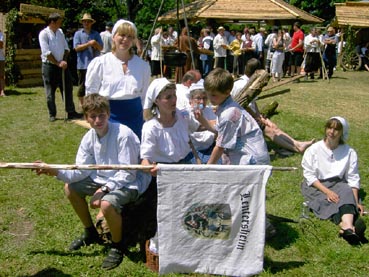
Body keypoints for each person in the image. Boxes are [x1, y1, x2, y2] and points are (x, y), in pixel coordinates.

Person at [34, 93, 152, 269]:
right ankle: (90, 232)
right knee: (70, 188)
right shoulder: (89, 137)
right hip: (103, 178)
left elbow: (128, 173)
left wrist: (104, 190)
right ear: (86, 118)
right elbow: (81, 170)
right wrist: (54, 171)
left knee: (106, 205)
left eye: (102, 115)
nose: (98, 120)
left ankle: (117, 245)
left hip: (131, 182)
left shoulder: (123, 134)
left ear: (109, 114)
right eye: (93, 116)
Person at [301, 116, 367, 245]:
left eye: (336, 129)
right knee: (327, 200)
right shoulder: (313, 150)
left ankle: (346, 227)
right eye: (329, 128)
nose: (332, 132)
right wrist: (327, 192)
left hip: (338, 183)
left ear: (342, 132)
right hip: (316, 185)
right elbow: (309, 176)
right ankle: (349, 227)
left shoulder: (349, 152)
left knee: (346, 190)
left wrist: (355, 201)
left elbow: (352, 177)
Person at [231, 58, 314, 154]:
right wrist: (258, 118)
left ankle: (297, 143)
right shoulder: (243, 84)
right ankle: (297, 148)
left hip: (251, 115)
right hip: (242, 119)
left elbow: (252, 103)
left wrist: (260, 116)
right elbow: (244, 106)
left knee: (274, 127)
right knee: (270, 131)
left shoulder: (248, 82)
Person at [86, 19, 151, 140]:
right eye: (122, 35)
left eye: (130, 36)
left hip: (135, 119)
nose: (125, 39)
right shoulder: (100, 63)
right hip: (108, 117)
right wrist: (95, 119)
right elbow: (91, 94)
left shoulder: (143, 66)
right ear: (114, 37)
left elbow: (144, 96)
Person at [141, 78, 215, 173]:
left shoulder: (182, 115)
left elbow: (198, 127)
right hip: (164, 171)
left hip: (186, 165)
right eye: (168, 97)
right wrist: (149, 169)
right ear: (156, 100)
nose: (174, 100)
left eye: (174, 95)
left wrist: (218, 124)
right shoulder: (151, 127)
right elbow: (146, 159)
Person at [204, 68, 270, 165]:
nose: (210, 98)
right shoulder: (227, 106)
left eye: (214, 95)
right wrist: (201, 119)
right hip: (249, 155)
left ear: (227, 92)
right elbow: (219, 129)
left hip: (252, 159)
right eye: (208, 94)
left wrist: (207, 167)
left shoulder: (229, 114)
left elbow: (220, 146)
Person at [38, 13, 82, 121]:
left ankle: (70, 111)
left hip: (62, 65)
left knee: (67, 87)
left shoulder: (60, 32)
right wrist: (57, 63)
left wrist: (64, 60)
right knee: (50, 90)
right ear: (52, 22)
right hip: (49, 66)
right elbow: (46, 53)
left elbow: (66, 48)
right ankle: (52, 114)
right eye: (59, 22)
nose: (60, 24)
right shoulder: (44, 34)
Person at [74, 13, 103, 106]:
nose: (86, 23)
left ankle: (93, 103)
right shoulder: (78, 34)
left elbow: (101, 48)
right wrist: (88, 44)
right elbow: (76, 48)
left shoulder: (96, 34)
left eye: (88, 21)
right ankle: (82, 105)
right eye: (84, 21)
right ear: (82, 23)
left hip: (94, 64)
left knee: (95, 84)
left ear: (91, 23)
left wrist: (95, 44)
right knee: (82, 85)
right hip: (82, 64)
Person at [0, 29, 5, 97]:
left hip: (1, 58)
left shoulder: (0, 34)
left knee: (1, 76)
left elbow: (1, 45)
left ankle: (2, 92)